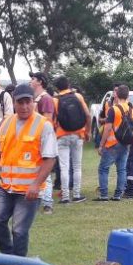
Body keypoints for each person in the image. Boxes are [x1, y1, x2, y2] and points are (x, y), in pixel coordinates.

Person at [0, 84, 57, 256]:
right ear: (14, 103)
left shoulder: (43, 125)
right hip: (6, 187)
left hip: (29, 191)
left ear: (33, 102)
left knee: (19, 231)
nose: (24, 106)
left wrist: (36, 185)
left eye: (27, 102)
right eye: (20, 102)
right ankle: (9, 257)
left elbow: (50, 159)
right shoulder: (6, 123)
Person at [51, 75, 89, 203]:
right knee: (77, 166)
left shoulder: (55, 101)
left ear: (57, 88)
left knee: (64, 167)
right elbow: (88, 115)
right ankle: (77, 195)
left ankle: (66, 196)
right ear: (68, 84)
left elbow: (53, 121)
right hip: (78, 134)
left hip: (62, 136)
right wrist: (87, 132)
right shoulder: (78, 96)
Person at [95, 85, 133, 201]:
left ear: (116, 94)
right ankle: (118, 195)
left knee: (103, 169)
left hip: (112, 143)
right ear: (127, 95)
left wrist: (101, 145)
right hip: (125, 143)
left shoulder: (113, 109)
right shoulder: (131, 109)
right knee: (121, 169)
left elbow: (107, 129)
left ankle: (104, 194)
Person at [29, 71, 57, 214]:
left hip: (43, 140)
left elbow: (48, 121)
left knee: (45, 170)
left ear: (40, 81)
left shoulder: (45, 99)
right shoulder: (37, 98)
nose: (31, 81)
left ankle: (47, 203)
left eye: (33, 79)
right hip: (34, 140)